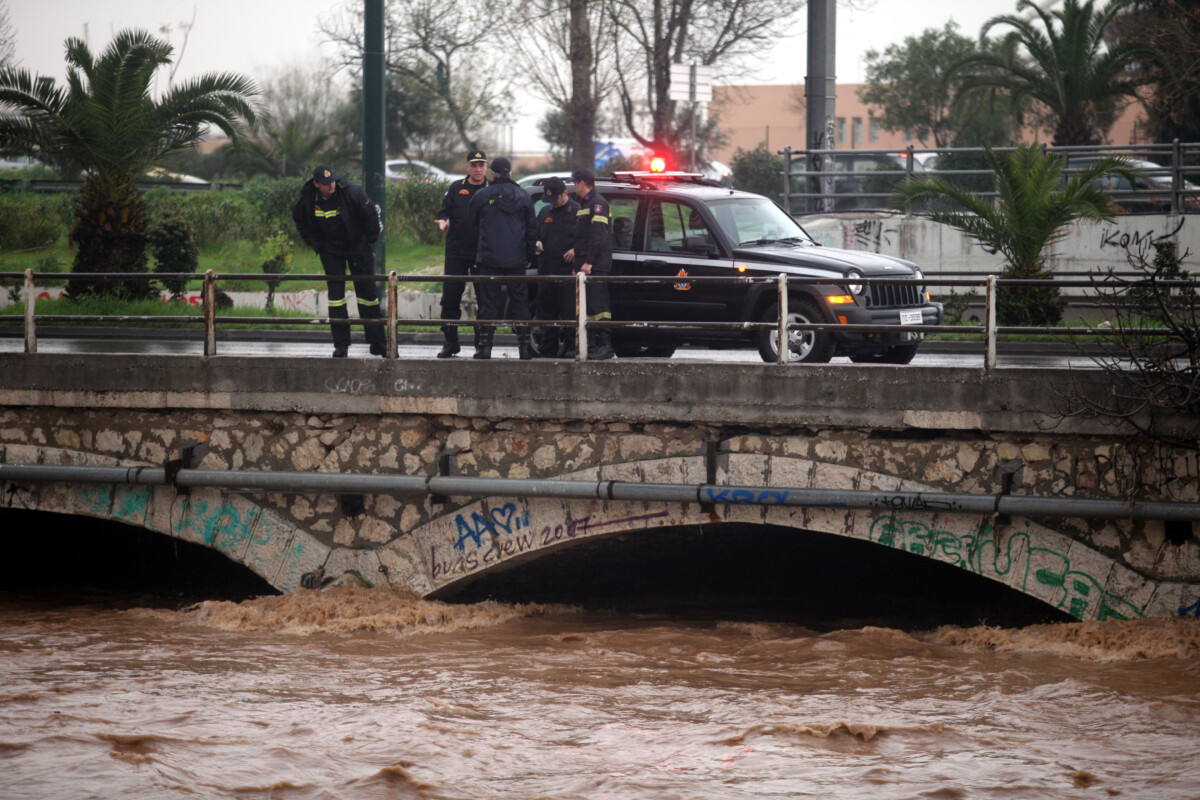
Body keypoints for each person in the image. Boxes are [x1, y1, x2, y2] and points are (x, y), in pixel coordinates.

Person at [291, 164, 385, 358]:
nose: (331, 186)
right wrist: (317, 245)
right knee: (336, 298)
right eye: (325, 183)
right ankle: (341, 345)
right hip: (331, 251)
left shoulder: (352, 192)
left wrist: (367, 242)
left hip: (358, 247)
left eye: (332, 180)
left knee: (368, 295)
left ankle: (377, 343)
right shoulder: (307, 199)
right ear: (316, 184)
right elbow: (301, 222)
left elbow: (371, 217)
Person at [468, 157, 538, 360]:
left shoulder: (482, 196)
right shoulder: (524, 197)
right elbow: (531, 230)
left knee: (488, 304)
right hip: (516, 261)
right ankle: (524, 348)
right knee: (520, 304)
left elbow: (472, 223)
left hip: (489, 260)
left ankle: (485, 347)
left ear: (492, 174)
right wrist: (529, 256)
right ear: (510, 173)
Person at [434, 150, 490, 358]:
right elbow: (444, 212)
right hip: (457, 251)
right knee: (450, 299)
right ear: (468, 167)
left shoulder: (491, 189)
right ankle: (451, 341)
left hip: (482, 253)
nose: (477, 169)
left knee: (484, 299)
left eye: (481, 165)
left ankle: (481, 343)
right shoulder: (457, 188)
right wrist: (443, 221)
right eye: (474, 165)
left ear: (486, 167)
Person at [567, 167, 615, 359]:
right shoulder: (585, 203)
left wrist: (588, 262)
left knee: (599, 307)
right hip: (585, 265)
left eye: (575, 183)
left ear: (582, 183)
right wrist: (577, 265)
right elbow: (583, 238)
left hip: (595, 265)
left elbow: (598, 236)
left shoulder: (597, 204)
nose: (574, 187)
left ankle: (605, 345)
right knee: (588, 307)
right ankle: (592, 345)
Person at [533, 176, 579, 358]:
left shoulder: (577, 212)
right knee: (545, 313)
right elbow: (534, 233)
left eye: (555, 199)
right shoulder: (545, 213)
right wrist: (536, 242)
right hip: (547, 270)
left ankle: (570, 347)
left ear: (565, 194)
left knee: (568, 312)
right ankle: (547, 347)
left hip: (567, 272)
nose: (552, 203)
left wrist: (576, 250)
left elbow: (588, 238)